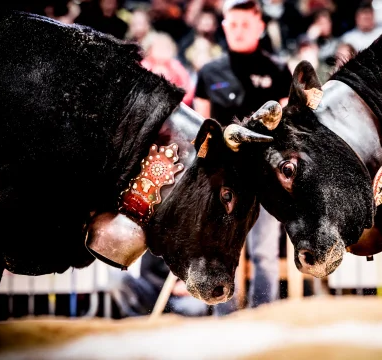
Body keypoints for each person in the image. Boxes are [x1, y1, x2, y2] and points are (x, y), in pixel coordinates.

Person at [193, 0, 292, 316]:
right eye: (232, 24)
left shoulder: (277, 70)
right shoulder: (209, 73)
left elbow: (287, 127)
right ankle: (225, 325)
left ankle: (266, 321)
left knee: (263, 253)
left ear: (260, 26)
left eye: (245, 24)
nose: (238, 30)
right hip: (222, 184)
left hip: (264, 178)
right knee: (221, 252)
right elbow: (200, 130)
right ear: (223, 26)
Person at [109, 251, 209, 317]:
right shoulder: (155, 242)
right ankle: (135, 318)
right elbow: (145, 272)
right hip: (153, 293)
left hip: (180, 299)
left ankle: (171, 317)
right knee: (119, 278)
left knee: (197, 307)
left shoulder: (193, 245)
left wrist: (190, 285)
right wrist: (171, 288)